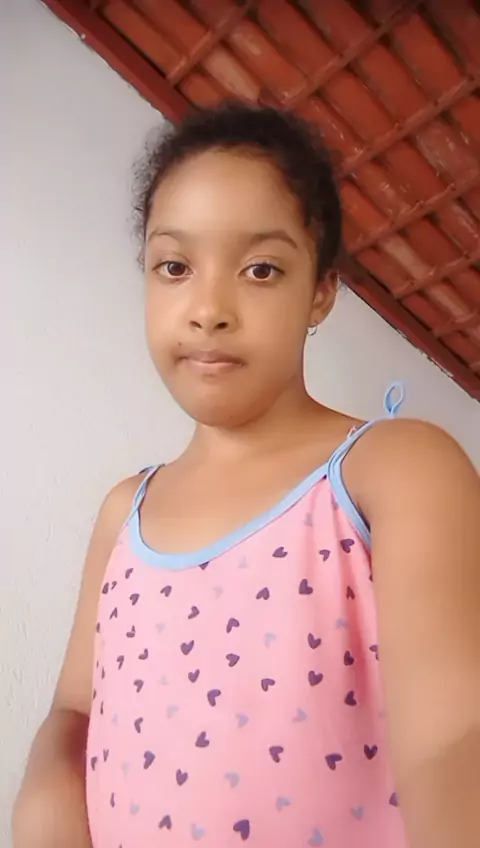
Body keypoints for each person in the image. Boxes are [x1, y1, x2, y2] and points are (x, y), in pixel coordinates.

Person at [13, 103, 480, 848]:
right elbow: (74, 710)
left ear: (321, 290)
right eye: (175, 267)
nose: (208, 310)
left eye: (260, 269)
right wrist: (45, 797)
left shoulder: (394, 471)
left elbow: (456, 739)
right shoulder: (123, 513)